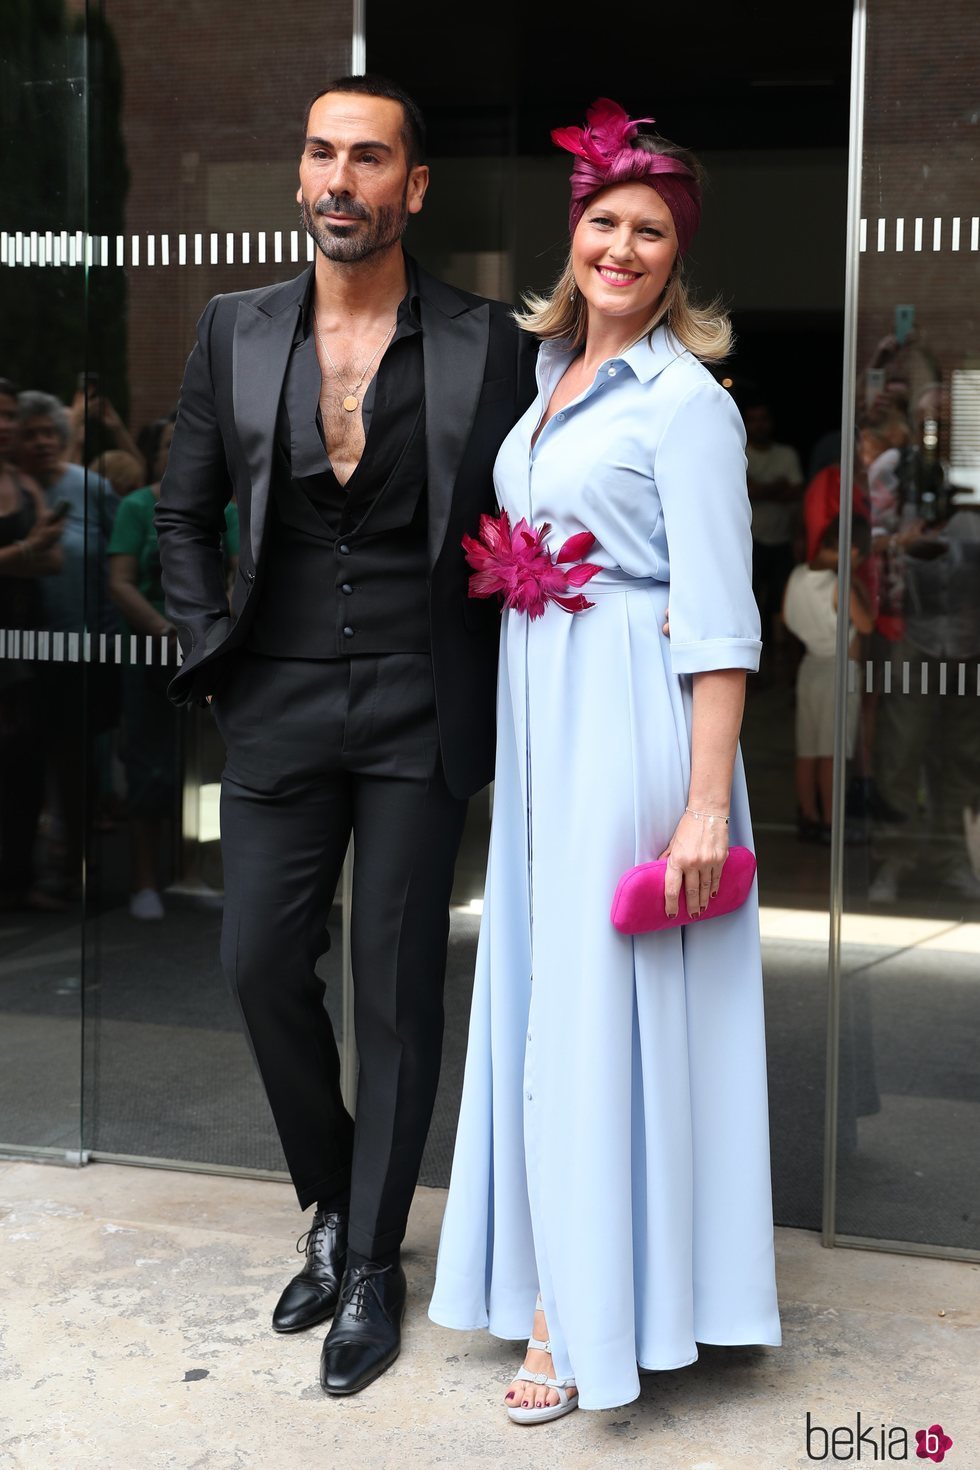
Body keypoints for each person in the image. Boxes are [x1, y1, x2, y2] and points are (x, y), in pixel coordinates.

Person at [154, 74, 536, 1396]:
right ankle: (331, 1196)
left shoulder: (492, 343)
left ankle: (371, 1258)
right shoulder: (234, 330)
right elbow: (182, 510)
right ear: (299, 173)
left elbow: (543, 507)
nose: (339, 178)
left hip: (424, 705)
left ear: (412, 188)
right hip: (277, 696)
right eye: (320, 152)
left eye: (368, 158)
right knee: (259, 958)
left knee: (395, 986)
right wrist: (211, 650)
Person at [429, 98, 781, 1419]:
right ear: (572, 235)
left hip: (633, 725)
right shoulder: (547, 379)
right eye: (604, 223)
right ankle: (562, 1270)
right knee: (541, 999)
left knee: (592, 1014)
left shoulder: (686, 402)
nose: (622, 248)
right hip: (545, 726)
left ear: (674, 256)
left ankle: (571, 1315)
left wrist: (704, 802)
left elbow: (722, 618)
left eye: (648, 231)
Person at [108, 414, 239, 920]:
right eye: (170, 443)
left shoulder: (226, 510)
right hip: (149, 655)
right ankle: (143, 878)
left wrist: (214, 631)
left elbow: (237, 573)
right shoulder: (138, 507)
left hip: (205, 653)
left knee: (199, 769)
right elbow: (120, 582)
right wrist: (168, 632)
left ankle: (192, 872)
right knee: (149, 765)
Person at [15, 391, 120, 899]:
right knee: (22, 764)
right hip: (17, 652)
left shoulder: (91, 488)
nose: (40, 441)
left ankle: (73, 868)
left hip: (83, 649)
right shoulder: (9, 492)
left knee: (76, 764)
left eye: (48, 431)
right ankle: (21, 870)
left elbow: (115, 561)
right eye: (29, 432)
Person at [0, 378, 65, 911]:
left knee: (24, 770)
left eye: (7, 416)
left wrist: (23, 554)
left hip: (25, 645)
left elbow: (54, 560)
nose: (4, 426)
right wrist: (23, 549)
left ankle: (18, 882)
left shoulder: (23, 482)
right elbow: (35, 551)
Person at [782, 516, 874, 842]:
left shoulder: (796, 576)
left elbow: (787, 618)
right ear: (851, 550)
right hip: (839, 671)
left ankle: (808, 815)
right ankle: (832, 825)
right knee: (831, 752)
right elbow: (865, 625)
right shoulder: (839, 585)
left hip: (810, 667)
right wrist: (858, 585)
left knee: (808, 750)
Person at [741, 393, 804, 665]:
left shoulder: (786, 454)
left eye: (763, 419)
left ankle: (784, 670)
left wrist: (758, 489)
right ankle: (757, 672)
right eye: (753, 420)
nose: (759, 425)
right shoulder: (739, 453)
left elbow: (796, 492)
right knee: (751, 610)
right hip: (750, 544)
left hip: (782, 542)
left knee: (784, 608)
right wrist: (775, 487)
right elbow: (745, 490)